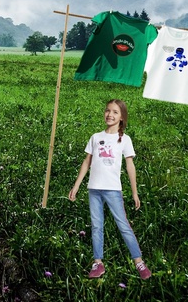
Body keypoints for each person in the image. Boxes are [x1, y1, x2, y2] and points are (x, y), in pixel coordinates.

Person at [68, 99, 151, 280]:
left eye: (114, 112)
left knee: (123, 225)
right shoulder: (96, 137)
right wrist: (76, 186)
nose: (109, 115)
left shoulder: (124, 139)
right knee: (97, 226)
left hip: (113, 189)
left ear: (121, 117)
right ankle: (98, 263)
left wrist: (135, 192)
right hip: (94, 189)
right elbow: (86, 162)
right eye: (107, 111)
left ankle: (138, 261)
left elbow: (130, 166)